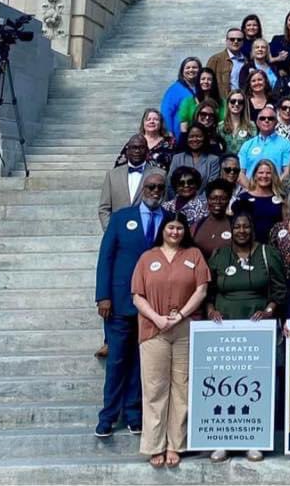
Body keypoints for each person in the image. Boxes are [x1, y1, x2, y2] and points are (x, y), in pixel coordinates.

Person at [206, 208, 287, 463]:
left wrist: (269, 310)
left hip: (257, 330)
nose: (242, 231)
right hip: (225, 330)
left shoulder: (267, 253)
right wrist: (210, 310)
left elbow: (280, 289)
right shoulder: (219, 255)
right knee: (225, 383)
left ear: (253, 229)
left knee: (255, 384)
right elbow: (206, 290)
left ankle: (255, 438)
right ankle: (223, 441)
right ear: (231, 229)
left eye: (246, 227)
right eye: (237, 227)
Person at [130, 214, 210, 468]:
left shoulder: (194, 255)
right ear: (162, 229)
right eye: (170, 227)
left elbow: (202, 289)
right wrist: (158, 318)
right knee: (154, 388)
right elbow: (137, 296)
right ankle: (155, 445)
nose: (175, 232)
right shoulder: (147, 257)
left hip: (185, 328)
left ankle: (176, 444)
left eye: (179, 228)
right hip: (153, 329)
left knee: (182, 387)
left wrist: (181, 315)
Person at [94, 170, 167, 438]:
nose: (155, 191)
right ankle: (108, 415)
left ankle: (134, 414)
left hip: (153, 306)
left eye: (160, 187)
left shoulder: (169, 220)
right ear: (142, 189)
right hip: (120, 302)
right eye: (150, 186)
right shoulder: (121, 218)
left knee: (142, 363)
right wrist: (103, 296)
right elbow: (106, 258)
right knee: (117, 361)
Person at [100, 135, 159, 231]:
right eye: (134, 147)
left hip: (148, 232)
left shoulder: (160, 174)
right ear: (127, 151)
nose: (137, 151)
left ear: (147, 151)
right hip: (118, 231)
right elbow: (104, 208)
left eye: (141, 147)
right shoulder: (112, 175)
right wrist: (111, 231)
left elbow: (164, 205)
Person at [233, 159, 285, 244]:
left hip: (274, 247)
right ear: (255, 175)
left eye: (268, 173)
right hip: (250, 247)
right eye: (261, 172)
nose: (264, 176)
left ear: (273, 176)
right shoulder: (243, 198)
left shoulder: (281, 199)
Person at [239, 104, 290, 178]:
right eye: (262, 118)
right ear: (257, 122)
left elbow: (288, 171)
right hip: (249, 188)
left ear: (276, 122)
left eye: (270, 118)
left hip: (276, 188)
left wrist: (276, 188)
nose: (266, 120)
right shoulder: (247, 145)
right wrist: (251, 189)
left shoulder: (287, 145)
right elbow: (240, 173)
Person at [160, 57, 200, 141]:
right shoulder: (175, 89)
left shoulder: (202, 87)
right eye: (188, 68)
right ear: (182, 70)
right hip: (179, 134)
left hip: (199, 135)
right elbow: (166, 112)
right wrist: (169, 132)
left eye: (194, 67)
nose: (191, 70)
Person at [168, 124, 219, 190]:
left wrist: (198, 200)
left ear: (205, 138)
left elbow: (212, 187)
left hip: (204, 199)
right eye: (191, 136)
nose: (195, 139)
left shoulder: (213, 160)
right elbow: (170, 184)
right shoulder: (177, 158)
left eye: (199, 136)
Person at [191, 179, 234, 257]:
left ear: (229, 200)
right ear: (208, 199)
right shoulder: (198, 225)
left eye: (223, 199)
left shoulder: (234, 224)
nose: (217, 202)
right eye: (213, 198)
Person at [177, 68, 223, 137]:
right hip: (194, 140)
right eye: (203, 79)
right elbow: (184, 128)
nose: (206, 81)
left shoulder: (222, 103)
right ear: (198, 81)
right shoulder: (188, 102)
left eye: (209, 79)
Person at [218, 90, 256, 154]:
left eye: (240, 102)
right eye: (233, 101)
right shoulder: (220, 126)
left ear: (244, 105)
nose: (236, 104)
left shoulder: (251, 125)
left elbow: (253, 148)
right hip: (225, 162)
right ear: (228, 103)